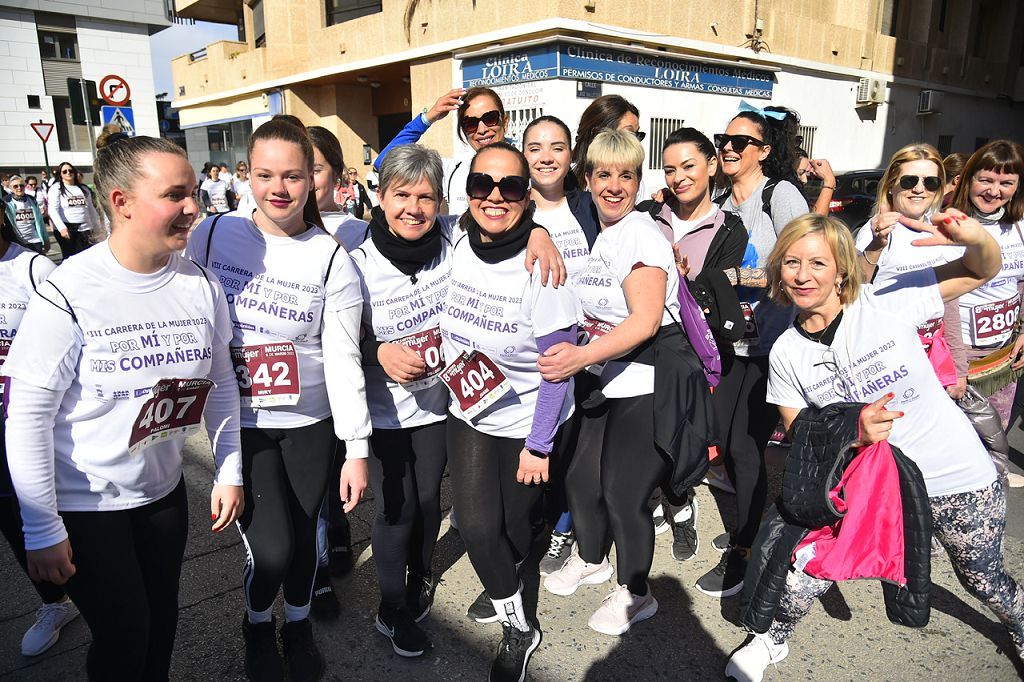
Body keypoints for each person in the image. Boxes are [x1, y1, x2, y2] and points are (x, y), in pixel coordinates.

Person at [725, 212, 1024, 681]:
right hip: (869, 484)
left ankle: (1020, 624)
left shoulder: (887, 302)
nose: (803, 275)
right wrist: (852, 430)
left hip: (955, 477)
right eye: (792, 263)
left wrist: (974, 238)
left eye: (818, 263)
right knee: (809, 568)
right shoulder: (786, 351)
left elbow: (981, 268)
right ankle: (772, 638)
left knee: (982, 580)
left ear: (842, 268)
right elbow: (799, 427)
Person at [2, 136, 244, 680]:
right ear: (121, 201)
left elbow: (222, 383)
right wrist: (41, 527)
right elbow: (29, 416)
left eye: (193, 194)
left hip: (163, 495)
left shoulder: (200, 283)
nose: (193, 208)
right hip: (87, 504)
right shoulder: (69, 290)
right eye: (174, 195)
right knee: (123, 637)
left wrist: (229, 471)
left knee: (161, 625)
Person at [185, 119, 370, 682]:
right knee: (270, 551)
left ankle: (299, 622)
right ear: (248, 175)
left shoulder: (331, 257)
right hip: (241, 422)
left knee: (303, 547)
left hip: (310, 422)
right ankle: (257, 624)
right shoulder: (214, 235)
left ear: (313, 178)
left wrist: (357, 447)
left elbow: (342, 356)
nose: (280, 188)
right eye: (265, 174)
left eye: (295, 175)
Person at [540, 129, 710, 635]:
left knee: (622, 491)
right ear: (588, 179)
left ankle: (637, 592)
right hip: (607, 376)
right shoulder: (606, 232)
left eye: (627, 175)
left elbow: (644, 321)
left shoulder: (639, 235)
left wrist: (579, 357)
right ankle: (591, 559)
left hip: (650, 379)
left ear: (639, 180)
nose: (615, 185)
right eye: (604, 174)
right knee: (579, 478)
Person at [440, 141, 580, 681]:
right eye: (482, 185)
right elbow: (399, 196)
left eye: (510, 187)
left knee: (516, 531)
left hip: (529, 421)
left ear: (527, 196)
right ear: (467, 191)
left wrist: (538, 444)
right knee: (476, 525)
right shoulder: (455, 240)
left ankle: (506, 585)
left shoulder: (543, 270)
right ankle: (518, 623)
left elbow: (557, 368)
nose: (494, 196)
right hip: (471, 410)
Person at [695, 102, 810, 599]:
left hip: (771, 344)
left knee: (745, 446)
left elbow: (801, 261)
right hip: (729, 342)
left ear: (762, 152)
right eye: (724, 139)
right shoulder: (720, 202)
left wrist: (731, 277)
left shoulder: (778, 194)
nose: (727, 147)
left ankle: (745, 548)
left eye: (739, 142)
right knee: (720, 433)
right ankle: (753, 518)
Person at [349, 144, 454, 657]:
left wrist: (542, 234)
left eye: (426, 196)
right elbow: (335, 341)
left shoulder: (454, 244)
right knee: (398, 509)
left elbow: (514, 226)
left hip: (438, 406)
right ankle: (390, 609)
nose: (414, 207)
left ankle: (422, 575)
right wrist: (378, 350)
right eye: (402, 194)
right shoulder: (356, 264)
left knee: (431, 502)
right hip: (383, 412)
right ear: (381, 197)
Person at [637, 127, 749, 562]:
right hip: (644, 343)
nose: (679, 177)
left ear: (711, 166)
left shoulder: (729, 229)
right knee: (646, 433)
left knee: (683, 437)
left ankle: (681, 504)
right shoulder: (648, 214)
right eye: (670, 169)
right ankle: (665, 499)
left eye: (688, 166)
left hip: (692, 352)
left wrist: (686, 280)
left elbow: (720, 292)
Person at [521, 115, 601, 576]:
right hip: (535, 352)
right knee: (539, 448)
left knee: (575, 456)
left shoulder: (589, 205)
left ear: (572, 155)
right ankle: (538, 525)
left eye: (556, 146)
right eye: (535, 147)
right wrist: (534, 229)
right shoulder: (510, 206)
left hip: (589, 351)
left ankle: (564, 530)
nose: (546, 156)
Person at [0, 210, 77, 658]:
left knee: (35, 515)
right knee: (12, 527)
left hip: (25, 420)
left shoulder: (33, 268)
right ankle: (55, 602)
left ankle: (73, 596)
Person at [855, 144, 967, 397]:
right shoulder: (874, 230)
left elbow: (949, 305)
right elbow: (854, 292)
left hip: (932, 358)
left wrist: (958, 368)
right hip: (885, 360)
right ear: (892, 185)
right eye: (909, 181)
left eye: (931, 182)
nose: (919, 189)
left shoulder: (939, 228)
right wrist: (875, 246)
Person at [948, 140, 1024, 431]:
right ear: (969, 179)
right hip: (959, 353)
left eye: (1006, 182)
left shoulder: (1019, 226)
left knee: (996, 437)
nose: (994, 191)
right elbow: (946, 298)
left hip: (1003, 355)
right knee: (958, 436)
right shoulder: (950, 225)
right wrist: (956, 363)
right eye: (986, 180)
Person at [375, 87, 508, 216]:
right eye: (471, 123)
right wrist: (427, 118)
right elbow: (384, 161)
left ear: (505, 122)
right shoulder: (454, 171)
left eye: (490, 118)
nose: (482, 129)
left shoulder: (526, 166)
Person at [570, 94, 646, 192]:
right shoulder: (565, 179)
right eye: (629, 134)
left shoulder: (634, 181)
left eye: (637, 135)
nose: (635, 142)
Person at [308, 126, 368, 251]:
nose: (306, 180)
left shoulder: (361, 234)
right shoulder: (275, 228)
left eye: (315, 171)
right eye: (296, 172)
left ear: (336, 172)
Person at [47, 161, 101, 259]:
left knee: (88, 257)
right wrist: (61, 228)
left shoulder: (84, 189)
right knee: (71, 258)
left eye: (70, 170)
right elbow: (52, 210)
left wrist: (96, 227)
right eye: (65, 171)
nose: (68, 173)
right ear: (60, 174)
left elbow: (91, 209)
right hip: (68, 230)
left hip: (85, 229)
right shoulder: (56, 188)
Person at [4, 175, 48, 253]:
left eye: (21, 185)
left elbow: (40, 221)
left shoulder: (32, 200)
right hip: (17, 242)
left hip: (35, 240)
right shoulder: (6, 202)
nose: (19, 188)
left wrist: (45, 239)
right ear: (11, 188)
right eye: (15, 186)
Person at [796, 148, 837, 216]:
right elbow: (816, 224)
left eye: (806, 172)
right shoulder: (787, 195)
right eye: (800, 173)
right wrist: (829, 181)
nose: (805, 180)